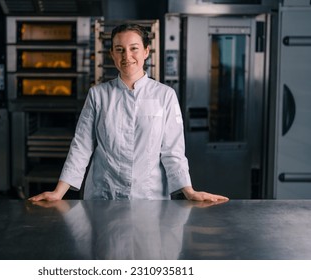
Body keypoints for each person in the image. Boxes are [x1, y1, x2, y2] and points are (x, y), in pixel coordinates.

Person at [29, 23, 229, 202]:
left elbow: (173, 151)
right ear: (112, 55)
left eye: (134, 49)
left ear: (146, 52)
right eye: (120, 50)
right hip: (104, 195)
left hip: (150, 197)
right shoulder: (98, 95)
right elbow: (81, 146)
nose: (127, 56)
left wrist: (189, 192)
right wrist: (58, 192)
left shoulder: (165, 95)